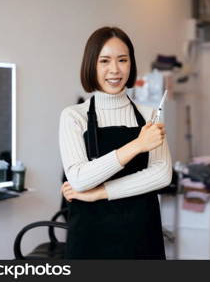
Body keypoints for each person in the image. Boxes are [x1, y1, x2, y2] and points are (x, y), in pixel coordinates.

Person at [59, 27, 172, 259]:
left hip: (141, 234)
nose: (115, 70)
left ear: (131, 64)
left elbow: (162, 175)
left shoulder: (150, 114)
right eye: (105, 61)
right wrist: (137, 145)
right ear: (92, 65)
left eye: (122, 60)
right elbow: (79, 179)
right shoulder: (73, 116)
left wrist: (99, 192)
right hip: (91, 238)